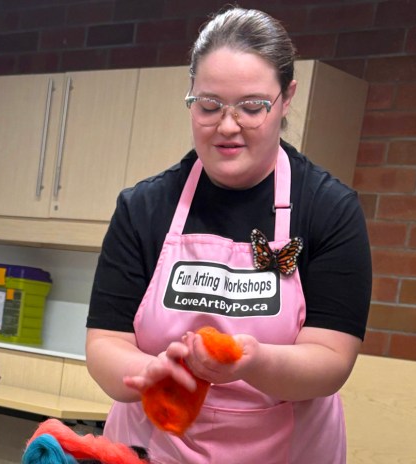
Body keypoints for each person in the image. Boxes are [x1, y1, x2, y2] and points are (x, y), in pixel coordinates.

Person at [85, 5, 372, 464]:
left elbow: (330, 361)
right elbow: (105, 343)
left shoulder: (328, 209)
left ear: (286, 98)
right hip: (152, 449)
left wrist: (255, 362)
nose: (227, 126)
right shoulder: (144, 208)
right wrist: (151, 370)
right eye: (209, 105)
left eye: (252, 106)